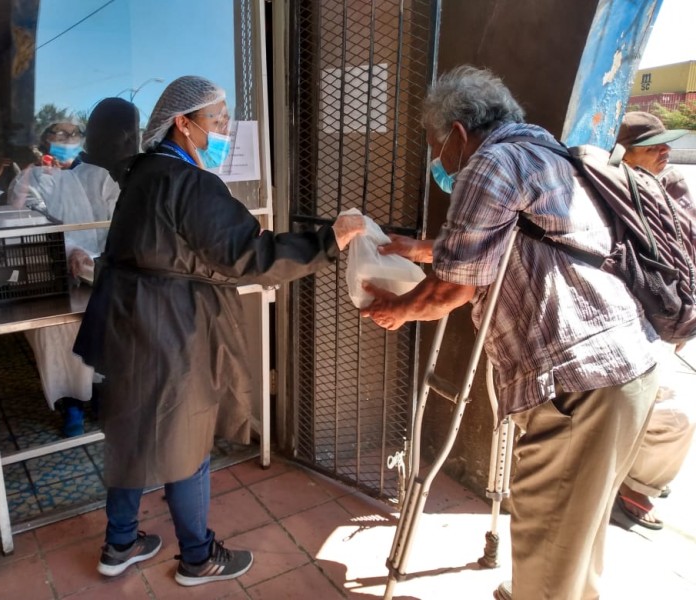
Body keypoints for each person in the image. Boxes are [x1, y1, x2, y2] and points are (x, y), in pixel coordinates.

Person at [360, 66, 659, 600]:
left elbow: (452, 290)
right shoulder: (546, 151)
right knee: (576, 535)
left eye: (437, 146)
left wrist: (399, 311)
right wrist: (421, 249)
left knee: (550, 535)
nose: (440, 163)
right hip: (627, 369)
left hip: (577, 384)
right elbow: (513, 239)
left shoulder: (487, 162)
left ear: (456, 134)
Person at [72, 76, 364, 582]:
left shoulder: (140, 174)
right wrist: (328, 242)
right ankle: (197, 556)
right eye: (217, 119)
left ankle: (119, 544)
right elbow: (248, 256)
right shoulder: (191, 183)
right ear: (182, 124)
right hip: (170, 328)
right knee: (188, 437)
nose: (226, 129)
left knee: (131, 432)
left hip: (126, 321)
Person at [11, 101, 139, 436]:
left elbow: (121, 215)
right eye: (60, 132)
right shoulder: (34, 177)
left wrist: (104, 257)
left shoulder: (100, 176)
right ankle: (71, 404)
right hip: (54, 278)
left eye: (75, 133)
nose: (68, 138)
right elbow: (27, 222)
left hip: (100, 274)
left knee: (101, 335)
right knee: (59, 339)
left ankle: (98, 394)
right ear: (45, 138)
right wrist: (69, 251)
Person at [611, 111, 696, 530]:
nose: (667, 152)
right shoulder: (609, 191)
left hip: (661, 322)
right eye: (653, 146)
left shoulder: (670, 188)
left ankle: (637, 485)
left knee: (678, 418)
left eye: (667, 144)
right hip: (619, 328)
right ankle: (620, 484)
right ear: (624, 155)